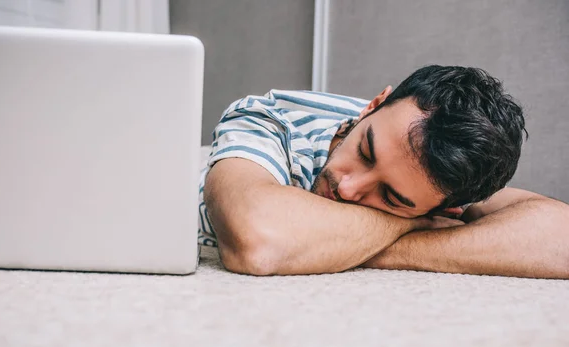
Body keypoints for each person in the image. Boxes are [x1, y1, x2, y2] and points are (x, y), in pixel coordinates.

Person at [198, 65, 569, 278]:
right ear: (372, 107)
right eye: (365, 150)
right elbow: (258, 243)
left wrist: (397, 244)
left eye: (392, 198)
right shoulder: (270, 116)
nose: (347, 187)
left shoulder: (445, 179)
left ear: (447, 209)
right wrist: (411, 221)